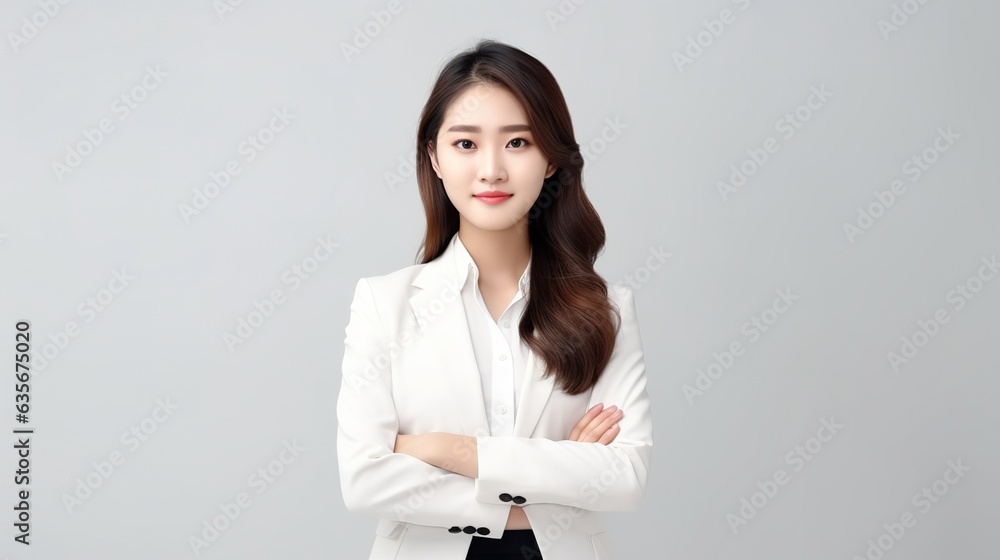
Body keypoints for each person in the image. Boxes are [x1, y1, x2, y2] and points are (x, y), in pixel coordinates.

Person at [337, 38, 653, 560]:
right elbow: (364, 481)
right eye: (465, 144)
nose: (491, 170)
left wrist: (450, 451)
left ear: (551, 159)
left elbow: (626, 476)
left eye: (517, 143)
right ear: (433, 157)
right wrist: (551, 482)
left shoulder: (606, 309)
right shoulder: (382, 303)